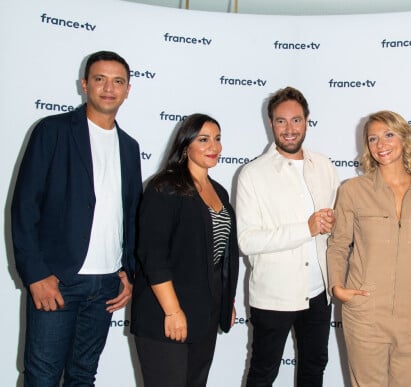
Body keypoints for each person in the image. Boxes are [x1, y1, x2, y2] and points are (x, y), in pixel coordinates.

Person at [11, 51, 142, 386]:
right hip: (58, 281)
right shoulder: (52, 131)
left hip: (106, 286)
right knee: (42, 378)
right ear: (85, 85)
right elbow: (24, 207)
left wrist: (127, 271)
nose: (109, 88)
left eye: (118, 81)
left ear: (128, 90)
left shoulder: (129, 147)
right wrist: (37, 274)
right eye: (100, 79)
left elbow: (129, 216)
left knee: (83, 377)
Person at [327, 110, 411, 387]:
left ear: (404, 138)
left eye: (388, 135)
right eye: (373, 139)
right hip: (366, 312)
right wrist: (338, 286)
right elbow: (338, 244)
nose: (381, 144)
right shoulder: (353, 190)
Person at [236, 86, 339, 386]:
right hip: (273, 295)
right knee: (263, 373)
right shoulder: (252, 174)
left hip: (319, 294)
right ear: (271, 124)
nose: (289, 128)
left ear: (307, 121)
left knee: (314, 369)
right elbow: (247, 240)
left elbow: (334, 227)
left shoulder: (324, 166)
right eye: (281, 121)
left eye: (296, 120)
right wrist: (305, 229)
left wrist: (331, 225)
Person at [130, 113, 239, 387]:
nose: (213, 146)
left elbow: (219, 256)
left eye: (217, 139)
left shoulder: (219, 192)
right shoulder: (164, 187)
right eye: (203, 139)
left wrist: (227, 300)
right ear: (185, 144)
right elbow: (153, 255)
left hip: (205, 314)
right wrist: (172, 311)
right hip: (165, 315)